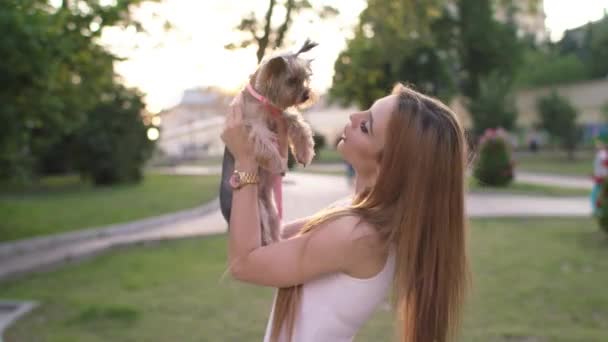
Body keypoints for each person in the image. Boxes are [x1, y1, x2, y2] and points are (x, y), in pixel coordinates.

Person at [221, 83, 470, 342]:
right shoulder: (359, 214)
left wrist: (245, 162)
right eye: (366, 111)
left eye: (366, 126)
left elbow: (245, 263)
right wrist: (269, 157)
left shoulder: (358, 235)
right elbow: (267, 240)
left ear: (388, 167)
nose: (354, 117)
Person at [591, 133, 608, 215]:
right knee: (596, 195)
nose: (596, 145)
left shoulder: (603, 153)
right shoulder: (602, 153)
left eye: (598, 143)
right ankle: (598, 210)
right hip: (600, 177)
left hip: (602, 178)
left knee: (597, 195)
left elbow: (605, 163)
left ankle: (598, 211)